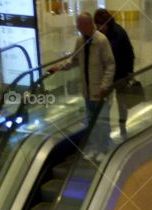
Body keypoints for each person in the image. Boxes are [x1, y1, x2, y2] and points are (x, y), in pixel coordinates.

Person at [50, 13, 116, 156]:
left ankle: (104, 148)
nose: (78, 28)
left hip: (100, 91)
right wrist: (60, 67)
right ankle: (94, 147)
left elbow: (110, 65)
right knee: (91, 121)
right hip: (87, 91)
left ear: (87, 25)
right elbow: (74, 60)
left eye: (79, 25)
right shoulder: (81, 41)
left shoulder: (101, 41)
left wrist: (105, 86)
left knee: (102, 121)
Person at [94, 8, 135, 139]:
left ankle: (122, 127)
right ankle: (106, 131)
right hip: (107, 76)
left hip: (121, 75)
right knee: (106, 103)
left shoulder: (119, 33)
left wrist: (129, 73)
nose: (99, 28)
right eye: (97, 25)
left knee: (122, 103)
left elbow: (129, 54)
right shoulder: (99, 35)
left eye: (101, 24)